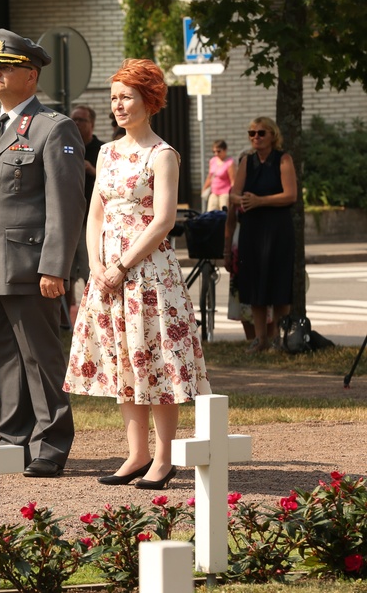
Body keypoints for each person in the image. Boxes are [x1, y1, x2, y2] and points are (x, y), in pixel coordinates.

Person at [64, 58, 211, 490]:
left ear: (149, 100)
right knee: (123, 363)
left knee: (157, 363)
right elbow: (95, 214)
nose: (118, 106)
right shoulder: (106, 152)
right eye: (113, 98)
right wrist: (96, 266)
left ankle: (163, 460)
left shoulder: (162, 154)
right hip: (108, 276)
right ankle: (136, 454)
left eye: (126, 97)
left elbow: (163, 221)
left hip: (149, 277)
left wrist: (121, 265)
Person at [0, 29, 85, 478]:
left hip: (29, 266)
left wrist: (56, 267)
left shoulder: (54, 128)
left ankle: (50, 441)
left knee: (38, 355)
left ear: (30, 76)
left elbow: (66, 206)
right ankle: (13, 438)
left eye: (5, 67)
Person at [225, 117, 297, 353]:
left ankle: (278, 337)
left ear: (272, 135)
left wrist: (260, 200)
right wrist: (241, 199)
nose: (256, 137)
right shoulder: (247, 161)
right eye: (251, 133)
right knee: (255, 283)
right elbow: (234, 194)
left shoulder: (283, 159)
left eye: (261, 133)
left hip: (278, 229)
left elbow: (290, 195)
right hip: (253, 229)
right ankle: (260, 338)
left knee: (279, 282)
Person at [68, 104, 104, 326]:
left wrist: (92, 170)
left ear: (92, 124)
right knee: (66, 275)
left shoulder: (103, 149)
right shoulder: (66, 146)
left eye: (81, 120)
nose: (77, 124)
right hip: (69, 221)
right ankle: (67, 320)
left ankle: (95, 318)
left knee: (91, 270)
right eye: (74, 119)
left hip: (93, 222)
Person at [203, 139, 235, 212]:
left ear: (225, 150)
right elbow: (210, 176)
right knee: (210, 214)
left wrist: (233, 195)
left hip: (225, 194)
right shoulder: (213, 161)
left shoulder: (230, 162)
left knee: (224, 215)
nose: (216, 154)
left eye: (218, 151)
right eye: (214, 152)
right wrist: (204, 188)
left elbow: (233, 180)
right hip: (214, 192)